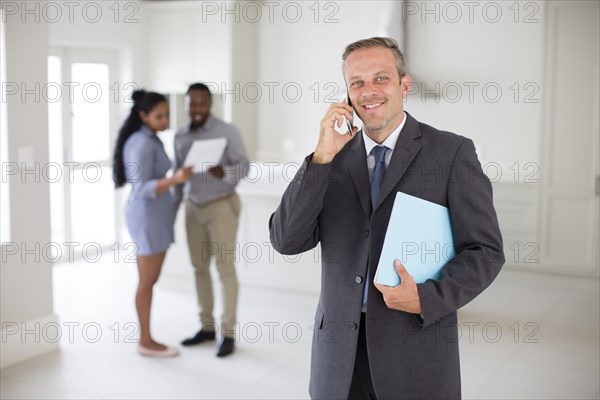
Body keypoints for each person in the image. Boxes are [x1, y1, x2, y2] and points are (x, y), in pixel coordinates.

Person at [269, 37, 505, 399]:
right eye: (357, 82)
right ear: (347, 94)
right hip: (339, 356)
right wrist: (319, 159)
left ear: (403, 85)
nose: (369, 91)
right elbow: (286, 240)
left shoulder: (451, 152)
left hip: (414, 349)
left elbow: (485, 251)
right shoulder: (331, 158)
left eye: (380, 78)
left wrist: (429, 297)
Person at [112, 90, 193, 358]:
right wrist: (176, 179)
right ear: (143, 115)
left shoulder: (151, 138)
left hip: (155, 215)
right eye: (159, 116)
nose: (165, 120)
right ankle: (145, 340)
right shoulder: (142, 143)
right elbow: (141, 188)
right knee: (147, 282)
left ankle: (146, 338)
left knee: (150, 279)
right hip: (146, 215)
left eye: (167, 114)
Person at [173, 83, 249, 357]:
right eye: (191, 104)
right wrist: (172, 213)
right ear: (185, 105)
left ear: (210, 103)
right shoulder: (180, 136)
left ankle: (227, 333)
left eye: (201, 103)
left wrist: (224, 171)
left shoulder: (227, 131)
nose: (196, 109)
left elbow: (244, 166)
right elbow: (177, 175)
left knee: (225, 269)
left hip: (221, 206)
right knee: (198, 268)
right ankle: (206, 327)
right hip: (193, 207)